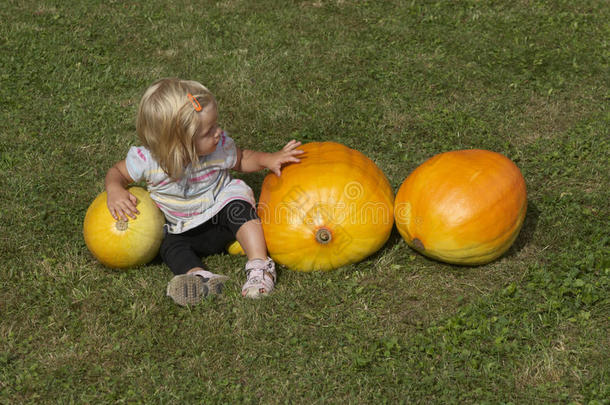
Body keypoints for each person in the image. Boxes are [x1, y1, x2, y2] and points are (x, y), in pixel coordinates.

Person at [104, 78, 303, 305]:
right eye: (209, 131)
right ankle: (199, 279)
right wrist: (114, 188)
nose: (218, 133)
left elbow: (242, 158)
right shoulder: (148, 160)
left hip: (222, 215)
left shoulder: (217, 148)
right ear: (180, 143)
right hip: (183, 227)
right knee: (169, 245)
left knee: (238, 207)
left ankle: (260, 266)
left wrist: (269, 159)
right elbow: (117, 172)